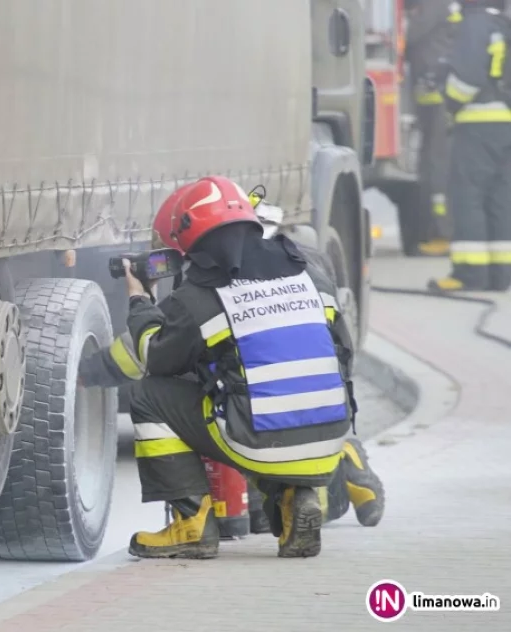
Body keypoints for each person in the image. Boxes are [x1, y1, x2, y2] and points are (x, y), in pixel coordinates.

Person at [79, 193, 385, 537]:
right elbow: (340, 356)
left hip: (261, 437)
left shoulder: (201, 295)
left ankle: (192, 527)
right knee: (273, 400)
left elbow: (150, 357)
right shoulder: (311, 274)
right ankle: (312, 488)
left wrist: (136, 305)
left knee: (154, 395)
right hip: (331, 433)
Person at [431, 0, 511, 291]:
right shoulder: (503, 23)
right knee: (500, 199)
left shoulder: (475, 23)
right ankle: (501, 274)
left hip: (477, 124)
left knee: (469, 196)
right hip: (506, 125)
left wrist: (450, 100)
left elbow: (467, 77)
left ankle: (470, 273)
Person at [404, 0, 464, 255]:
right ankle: (437, 230)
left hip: (437, 99)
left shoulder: (435, 3)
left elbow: (409, 36)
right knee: (431, 165)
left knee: (436, 166)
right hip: (434, 98)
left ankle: (443, 233)